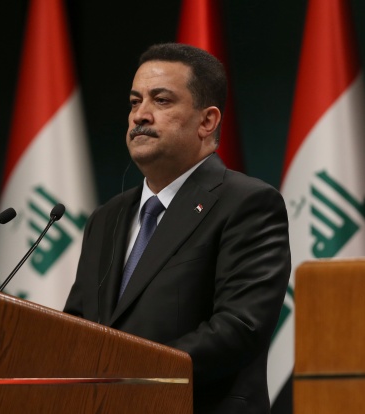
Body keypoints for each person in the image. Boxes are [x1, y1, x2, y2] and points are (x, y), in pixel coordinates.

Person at [64, 43, 291, 414]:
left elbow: (239, 327)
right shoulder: (106, 218)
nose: (140, 115)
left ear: (207, 121)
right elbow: (77, 326)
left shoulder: (247, 203)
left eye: (161, 100)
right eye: (134, 102)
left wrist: (129, 376)